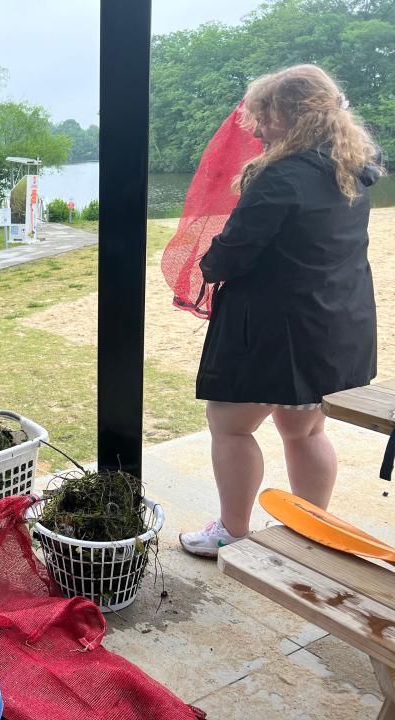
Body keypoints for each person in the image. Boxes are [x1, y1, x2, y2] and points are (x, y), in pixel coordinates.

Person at [180, 64, 381, 558]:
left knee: (230, 424)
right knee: (306, 428)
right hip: (337, 321)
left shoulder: (281, 175)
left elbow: (231, 254)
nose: (256, 128)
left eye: (265, 115)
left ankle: (232, 530)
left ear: (292, 116)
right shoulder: (351, 166)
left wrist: (207, 259)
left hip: (275, 331)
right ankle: (311, 532)